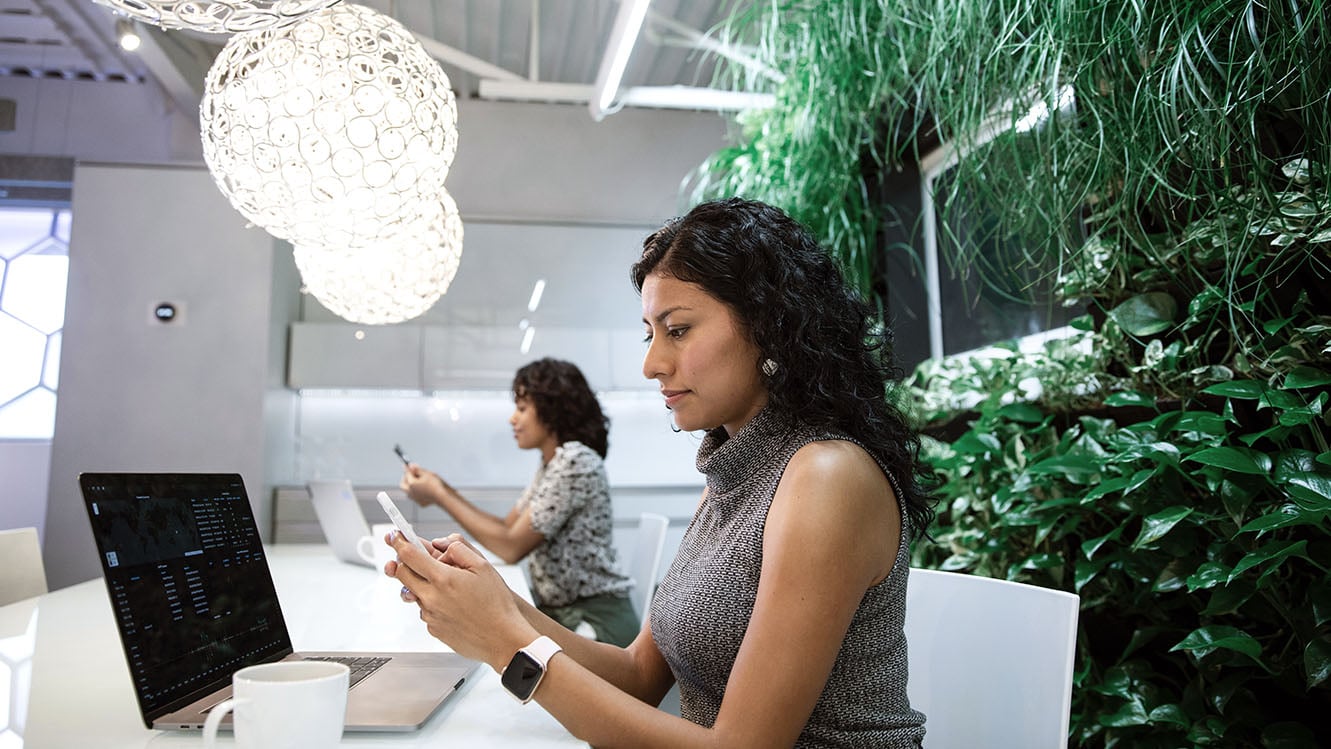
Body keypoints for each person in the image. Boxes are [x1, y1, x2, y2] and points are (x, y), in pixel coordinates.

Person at [386, 198, 936, 747]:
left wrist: (506, 644)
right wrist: (499, 607)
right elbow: (638, 675)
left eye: (677, 330)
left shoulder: (826, 476)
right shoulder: (731, 476)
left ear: (770, 327)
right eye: (650, 333)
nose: (652, 364)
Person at [398, 357, 638, 647]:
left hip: (596, 624)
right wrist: (441, 489)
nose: (513, 418)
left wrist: (439, 493)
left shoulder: (576, 461)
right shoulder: (552, 463)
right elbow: (507, 527)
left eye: (522, 408)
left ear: (552, 412)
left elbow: (510, 546)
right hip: (567, 616)